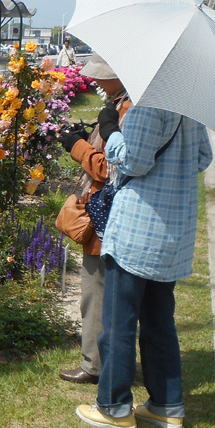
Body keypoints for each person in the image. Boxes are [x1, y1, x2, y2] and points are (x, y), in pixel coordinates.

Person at [76, 101, 212, 428]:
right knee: (159, 322)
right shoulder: (191, 109)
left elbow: (133, 160)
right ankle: (166, 406)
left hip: (138, 230)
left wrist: (111, 132)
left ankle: (114, 407)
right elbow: (202, 158)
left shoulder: (148, 106)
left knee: (119, 324)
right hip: (173, 232)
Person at [57, 54, 131, 384]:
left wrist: (77, 148)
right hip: (106, 216)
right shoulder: (119, 104)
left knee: (96, 293)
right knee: (99, 293)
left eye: (102, 76)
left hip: (104, 220)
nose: (95, 81)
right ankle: (102, 361)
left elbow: (111, 169)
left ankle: (95, 365)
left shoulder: (127, 109)